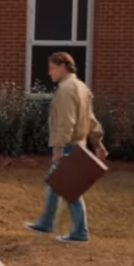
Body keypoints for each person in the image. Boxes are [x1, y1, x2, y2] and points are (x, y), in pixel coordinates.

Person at [25, 52, 107, 244]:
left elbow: (66, 122)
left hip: (68, 146)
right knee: (55, 186)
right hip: (78, 144)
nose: (49, 72)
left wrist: (59, 148)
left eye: (52, 67)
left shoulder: (65, 89)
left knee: (69, 189)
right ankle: (46, 223)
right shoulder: (82, 88)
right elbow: (91, 119)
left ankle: (80, 233)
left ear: (63, 66)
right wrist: (98, 143)